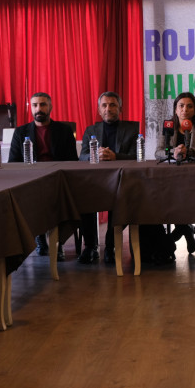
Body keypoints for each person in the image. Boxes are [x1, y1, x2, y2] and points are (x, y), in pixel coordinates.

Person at [9, 92, 78, 260]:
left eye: (42, 104)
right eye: (35, 105)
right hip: (31, 180)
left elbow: (72, 161)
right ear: (30, 108)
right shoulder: (20, 132)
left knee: (59, 199)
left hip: (58, 179)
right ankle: (39, 238)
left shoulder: (64, 130)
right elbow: (13, 162)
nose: (38, 109)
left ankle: (58, 243)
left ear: (50, 107)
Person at [78, 91, 139, 264]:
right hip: (95, 181)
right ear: (99, 110)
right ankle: (91, 247)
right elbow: (82, 156)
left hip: (121, 180)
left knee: (120, 198)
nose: (108, 109)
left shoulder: (132, 129)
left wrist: (115, 156)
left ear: (120, 108)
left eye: (112, 105)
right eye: (104, 105)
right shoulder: (91, 130)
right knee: (82, 197)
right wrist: (96, 155)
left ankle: (111, 246)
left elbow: (137, 156)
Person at [154, 92, 195, 254]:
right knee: (170, 196)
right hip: (171, 177)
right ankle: (186, 229)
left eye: (189, 106)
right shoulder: (167, 126)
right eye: (181, 106)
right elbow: (158, 152)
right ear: (175, 109)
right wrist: (174, 151)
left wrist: (189, 151)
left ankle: (179, 231)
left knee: (182, 196)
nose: (185, 109)